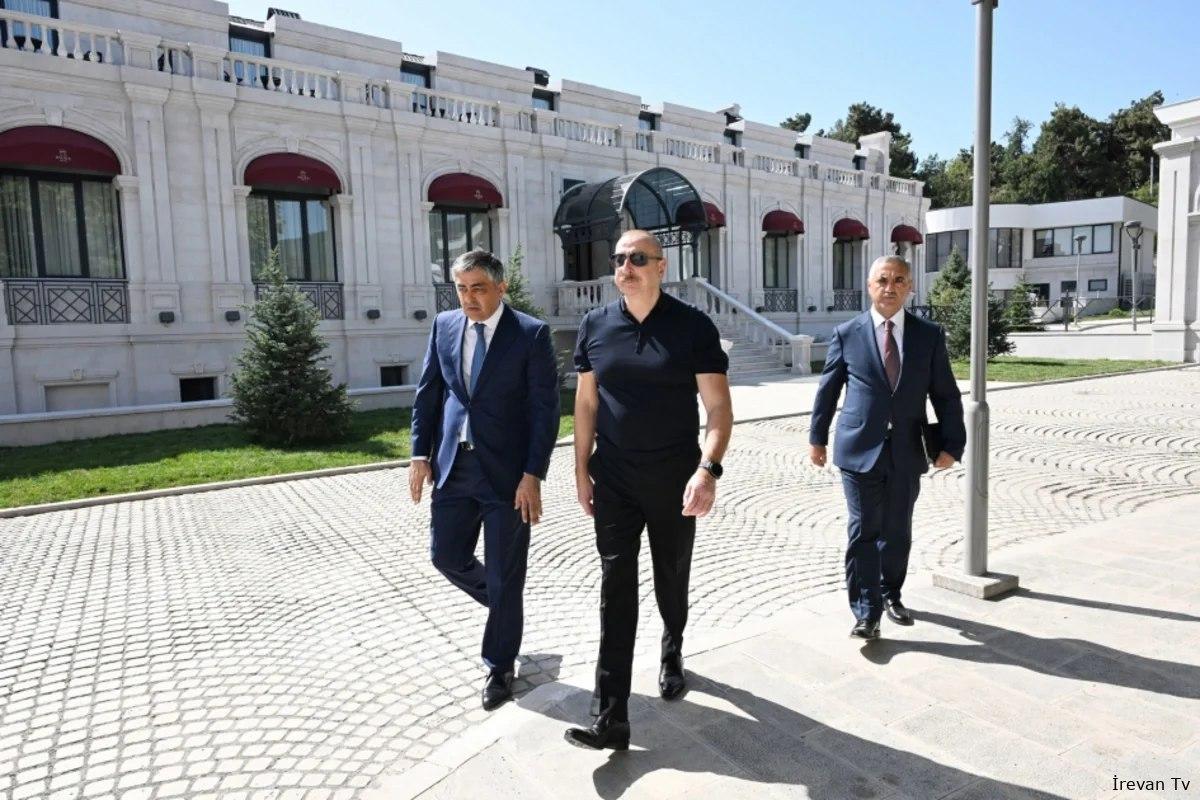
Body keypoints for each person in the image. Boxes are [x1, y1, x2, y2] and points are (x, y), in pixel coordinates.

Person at [564, 229, 733, 750]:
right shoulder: (595, 325)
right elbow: (586, 403)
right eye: (619, 259)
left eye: (638, 258)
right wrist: (580, 470)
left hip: (674, 480)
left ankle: (672, 646)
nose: (626, 267)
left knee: (670, 577)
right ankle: (611, 716)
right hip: (614, 479)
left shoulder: (693, 326)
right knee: (615, 586)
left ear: (662, 266)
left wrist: (707, 471)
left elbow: (718, 409)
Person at [409, 249, 560, 710]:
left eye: (478, 288)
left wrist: (532, 474)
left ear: (501, 287)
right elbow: (429, 392)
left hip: (508, 476)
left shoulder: (530, 334)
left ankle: (500, 665)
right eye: (461, 288)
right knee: (445, 556)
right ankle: (505, 608)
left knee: (504, 571)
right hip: (454, 466)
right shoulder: (444, 325)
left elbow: (545, 411)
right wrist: (419, 454)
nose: (468, 298)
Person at [809, 255, 965, 640]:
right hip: (858, 447)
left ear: (910, 287)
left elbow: (945, 394)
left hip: (907, 450)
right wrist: (817, 438)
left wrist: (952, 444)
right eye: (882, 280)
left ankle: (891, 593)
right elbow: (827, 391)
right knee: (864, 530)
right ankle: (867, 613)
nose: (889, 287)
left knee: (896, 531)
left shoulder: (929, 335)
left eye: (898, 280)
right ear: (869, 286)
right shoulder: (847, 333)